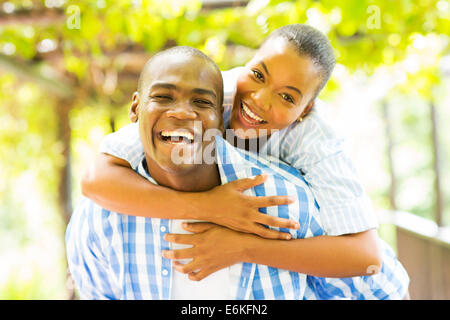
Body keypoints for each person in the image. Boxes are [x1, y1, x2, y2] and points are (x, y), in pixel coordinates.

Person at [66, 46, 409, 300]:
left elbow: (376, 276)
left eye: (202, 103)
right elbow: (94, 180)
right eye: (164, 97)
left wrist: (246, 247)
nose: (182, 113)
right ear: (136, 108)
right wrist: (208, 207)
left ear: (220, 114)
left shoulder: (291, 195)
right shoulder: (99, 221)